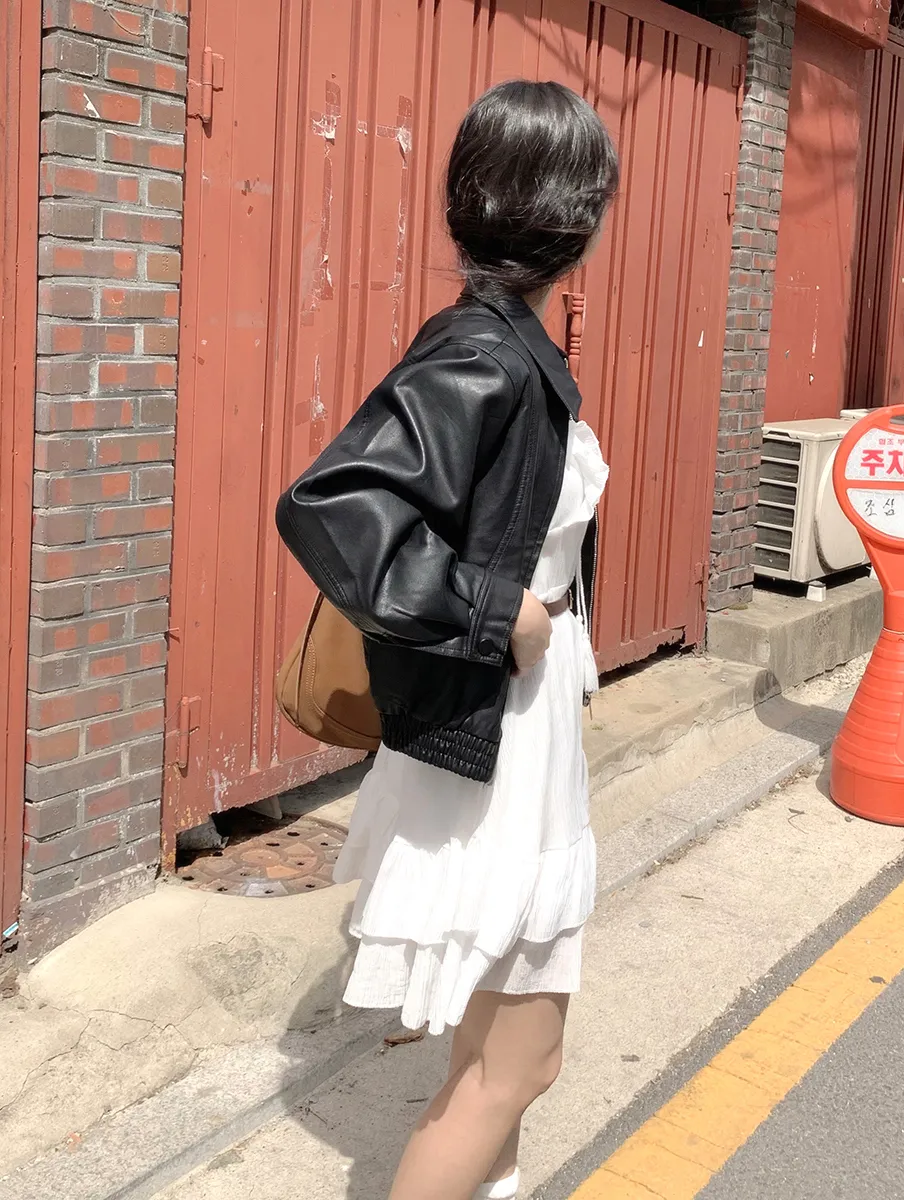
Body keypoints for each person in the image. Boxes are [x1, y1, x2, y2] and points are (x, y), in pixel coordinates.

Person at [276, 79, 618, 1200]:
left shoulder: (505, 344)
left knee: (493, 1059)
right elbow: (333, 505)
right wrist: (493, 609)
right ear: (581, 215)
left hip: (512, 724)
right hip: (494, 733)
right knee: (515, 1068)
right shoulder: (484, 351)